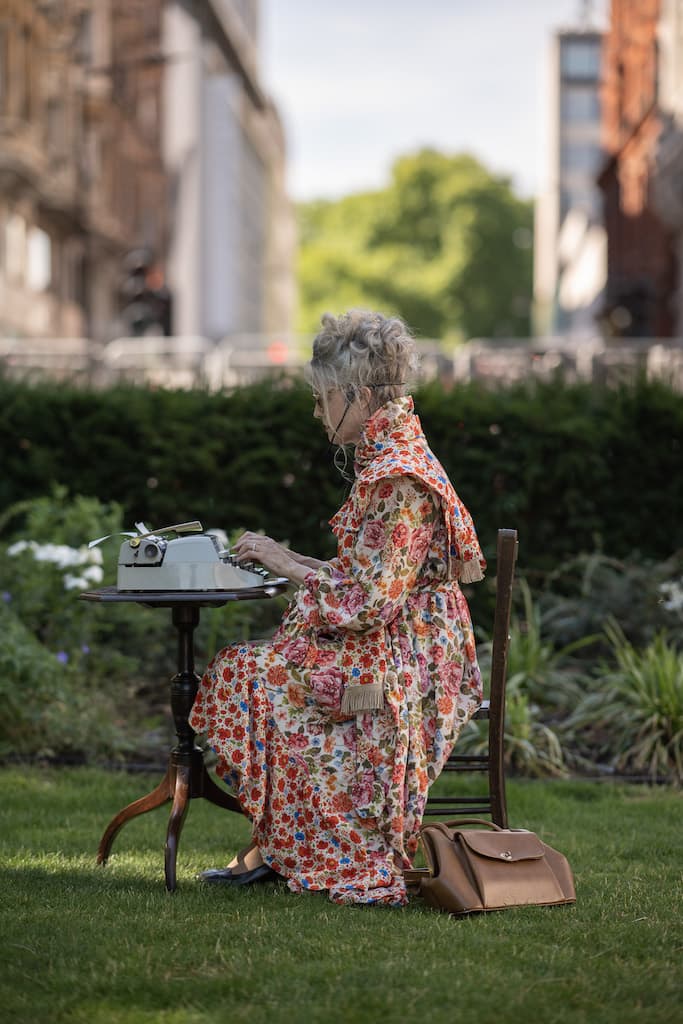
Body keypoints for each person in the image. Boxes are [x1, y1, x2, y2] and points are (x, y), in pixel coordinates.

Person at [190, 309, 486, 906]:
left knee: (252, 676)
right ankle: (283, 841)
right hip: (400, 641)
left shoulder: (398, 477)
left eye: (324, 398)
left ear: (357, 395)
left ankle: (304, 847)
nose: (318, 413)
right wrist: (292, 557)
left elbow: (372, 601)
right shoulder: (390, 458)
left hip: (411, 666)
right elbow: (372, 580)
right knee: (253, 670)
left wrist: (288, 564)